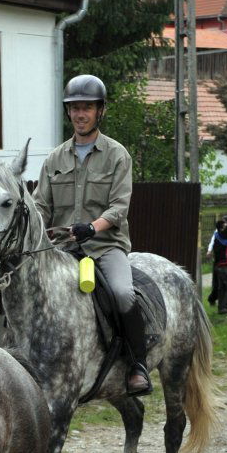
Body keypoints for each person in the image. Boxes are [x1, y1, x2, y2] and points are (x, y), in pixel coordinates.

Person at [34, 74, 150, 395]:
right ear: (68, 112)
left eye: (87, 108)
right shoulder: (54, 159)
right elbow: (40, 206)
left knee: (122, 293)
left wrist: (92, 227)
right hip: (61, 250)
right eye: (75, 108)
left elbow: (119, 207)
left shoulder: (117, 155)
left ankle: (137, 363)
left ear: (101, 111)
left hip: (105, 246)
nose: (80, 114)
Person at [207, 204, 227, 314]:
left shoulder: (219, 236)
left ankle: (221, 308)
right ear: (222, 228)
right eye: (226, 226)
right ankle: (224, 306)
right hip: (223, 267)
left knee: (222, 288)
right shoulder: (223, 235)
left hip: (220, 266)